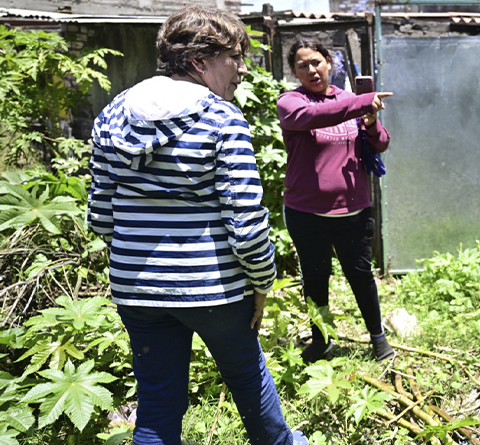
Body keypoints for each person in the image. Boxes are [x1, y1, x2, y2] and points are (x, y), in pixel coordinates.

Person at [87, 6, 307, 445]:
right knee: (247, 380)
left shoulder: (112, 114)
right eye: (235, 57)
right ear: (199, 61)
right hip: (215, 289)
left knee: (157, 400)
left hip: (136, 288)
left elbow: (101, 215)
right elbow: (246, 223)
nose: (242, 68)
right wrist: (261, 283)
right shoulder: (221, 118)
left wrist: (142, 258)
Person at [276, 38, 395, 363]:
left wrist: (370, 123)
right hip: (306, 211)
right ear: (295, 71)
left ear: (329, 63)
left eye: (316, 62)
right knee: (315, 278)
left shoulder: (350, 100)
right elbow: (316, 116)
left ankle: (378, 338)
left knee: (360, 274)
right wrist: (361, 104)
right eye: (303, 65)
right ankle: (321, 340)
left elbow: (381, 143)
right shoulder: (290, 102)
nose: (311, 69)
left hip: (352, 210)